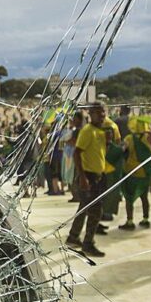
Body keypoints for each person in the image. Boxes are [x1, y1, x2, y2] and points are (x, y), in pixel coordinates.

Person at [65, 102, 108, 258]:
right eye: (99, 113)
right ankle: (88, 244)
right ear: (91, 114)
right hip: (88, 176)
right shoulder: (88, 131)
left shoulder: (100, 132)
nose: (102, 116)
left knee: (84, 208)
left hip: (97, 176)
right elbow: (77, 153)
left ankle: (73, 237)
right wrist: (83, 178)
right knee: (96, 212)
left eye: (104, 113)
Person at [118, 117, 151, 230]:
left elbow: (122, 150)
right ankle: (146, 219)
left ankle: (130, 221)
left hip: (132, 171)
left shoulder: (129, 138)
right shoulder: (149, 139)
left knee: (129, 197)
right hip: (146, 172)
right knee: (144, 197)